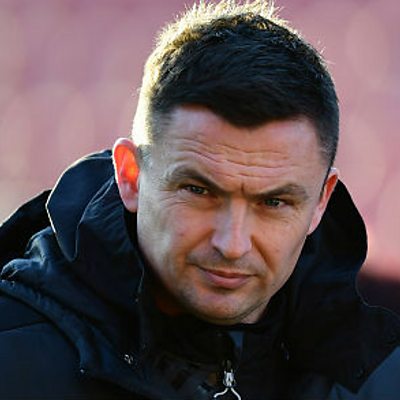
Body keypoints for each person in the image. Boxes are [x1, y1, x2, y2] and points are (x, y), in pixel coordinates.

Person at [0, 1, 399, 399]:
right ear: (131, 176)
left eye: (273, 203)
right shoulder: (13, 359)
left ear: (321, 202)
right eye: (199, 191)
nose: (232, 244)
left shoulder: (379, 377)